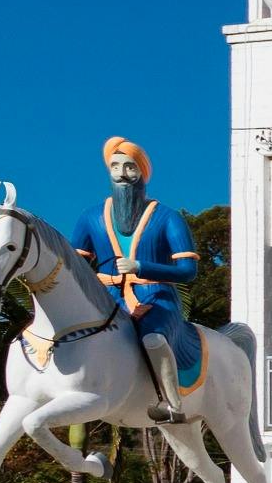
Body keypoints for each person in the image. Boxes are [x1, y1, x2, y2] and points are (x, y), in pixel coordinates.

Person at [72, 137, 203, 422]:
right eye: (115, 166)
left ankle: (171, 403)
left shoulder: (168, 218)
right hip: (106, 298)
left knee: (154, 338)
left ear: (142, 173)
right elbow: (76, 266)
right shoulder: (90, 217)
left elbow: (187, 271)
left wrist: (140, 267)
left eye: (130, 167)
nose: (122, 173)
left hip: (155, 298)